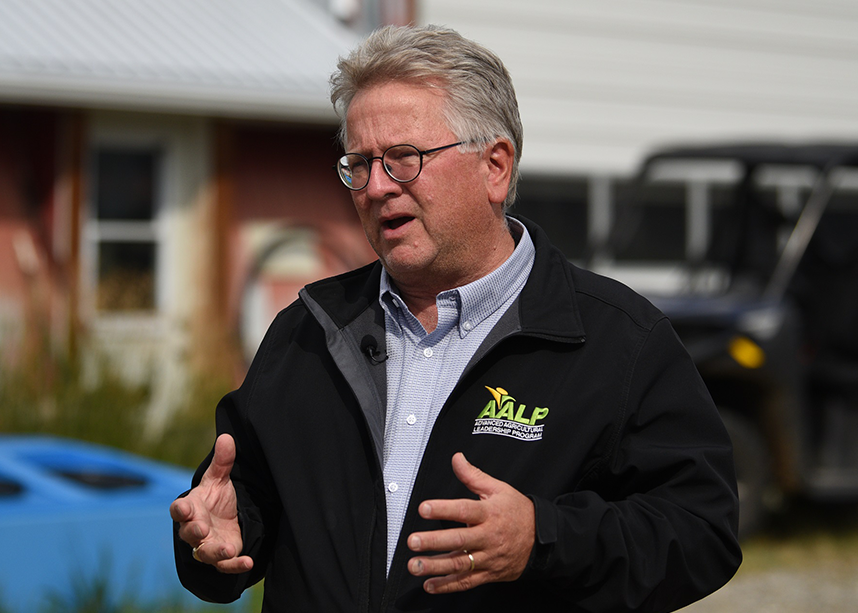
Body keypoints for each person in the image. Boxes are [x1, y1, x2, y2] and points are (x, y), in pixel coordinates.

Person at [171, 24, 741, 612]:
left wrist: (542, 541)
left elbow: (702, 532)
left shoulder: (618, 341)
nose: (376, 187)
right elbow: (241, 505)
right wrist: (218, 538)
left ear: (495, 167)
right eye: (359, 165)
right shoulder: (309, 331)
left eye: (403, 159)